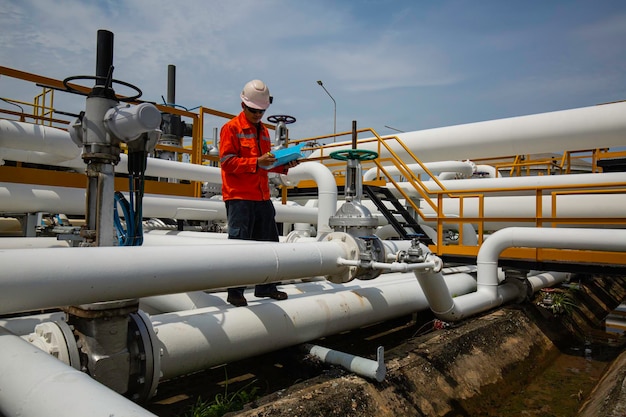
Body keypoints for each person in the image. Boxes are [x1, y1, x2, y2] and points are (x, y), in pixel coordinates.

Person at [219, 79, 299, 307]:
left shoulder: (263, 131)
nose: (257, 114)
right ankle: (235, 291)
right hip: (239, 197)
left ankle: (266, 287)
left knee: (269, 244)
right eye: (253, 110)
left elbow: (266, 163)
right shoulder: (231, 128)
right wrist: (257, 162)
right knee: (240, 246)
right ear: (243, 105)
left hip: (262, 196)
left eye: (261, 111)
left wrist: (284, 165)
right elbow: (227, 162)